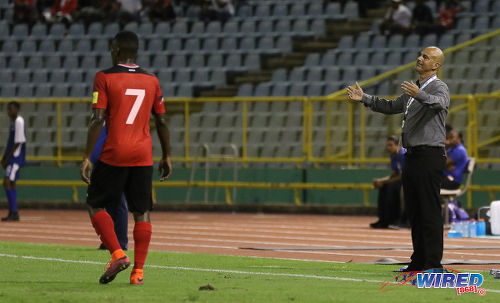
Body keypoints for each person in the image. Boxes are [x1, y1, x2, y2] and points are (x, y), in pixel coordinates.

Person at [80, 31, 172, 285]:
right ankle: (138, 273)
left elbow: (97, 118)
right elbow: (162, 120)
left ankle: (118, 253)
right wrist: (167, 156)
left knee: (94, 203)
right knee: (142, 212)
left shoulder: (104, 77)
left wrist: (87, 156)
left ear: (115, 50)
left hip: (114, 152)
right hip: (143, 154)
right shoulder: (152, 80)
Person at [347, 46, 450, 272]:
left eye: (426, 57)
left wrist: (419, 94)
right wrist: (365, 98)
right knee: (414, 210)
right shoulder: (414, 89)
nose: (419, 58)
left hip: (429, 155)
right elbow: (392, 106)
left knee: (429, 211)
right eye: (420, 55)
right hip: (412, 155)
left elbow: (440, 103)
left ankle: (433, 264)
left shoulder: (438, 87)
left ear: (436, 65)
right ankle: (418, 262)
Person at [91, 125, 129, 251]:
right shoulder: (102, 123)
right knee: (105, 204)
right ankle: (109, 241)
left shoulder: (113, 122)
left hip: (112, 163)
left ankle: (120, 242)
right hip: (102, 164)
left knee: (117, 203)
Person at [370, 136, 405, 229]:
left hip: (409, 180)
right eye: (387, 145)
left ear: (398, 146)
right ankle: (383, 219)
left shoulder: (403, 155)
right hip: (401, 179)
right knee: (384, 187)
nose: (388, 148)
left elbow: (403, 175)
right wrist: (381, 181)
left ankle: (395, 219)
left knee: (391, 187)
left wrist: (385, 181)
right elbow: (395, 173)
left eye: (391, 145)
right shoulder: (394, 155)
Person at [1, 102, 26, 222]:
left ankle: (14, 211)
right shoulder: (13, 123)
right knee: (11, 182)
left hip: (15, 157)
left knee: (7, 181)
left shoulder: (19, 121)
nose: (8, 112)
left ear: (17, 109)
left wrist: (8, 158)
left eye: (10, 109)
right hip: (12, 157)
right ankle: (13, 211)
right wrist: (4, 156)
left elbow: (18, 141)